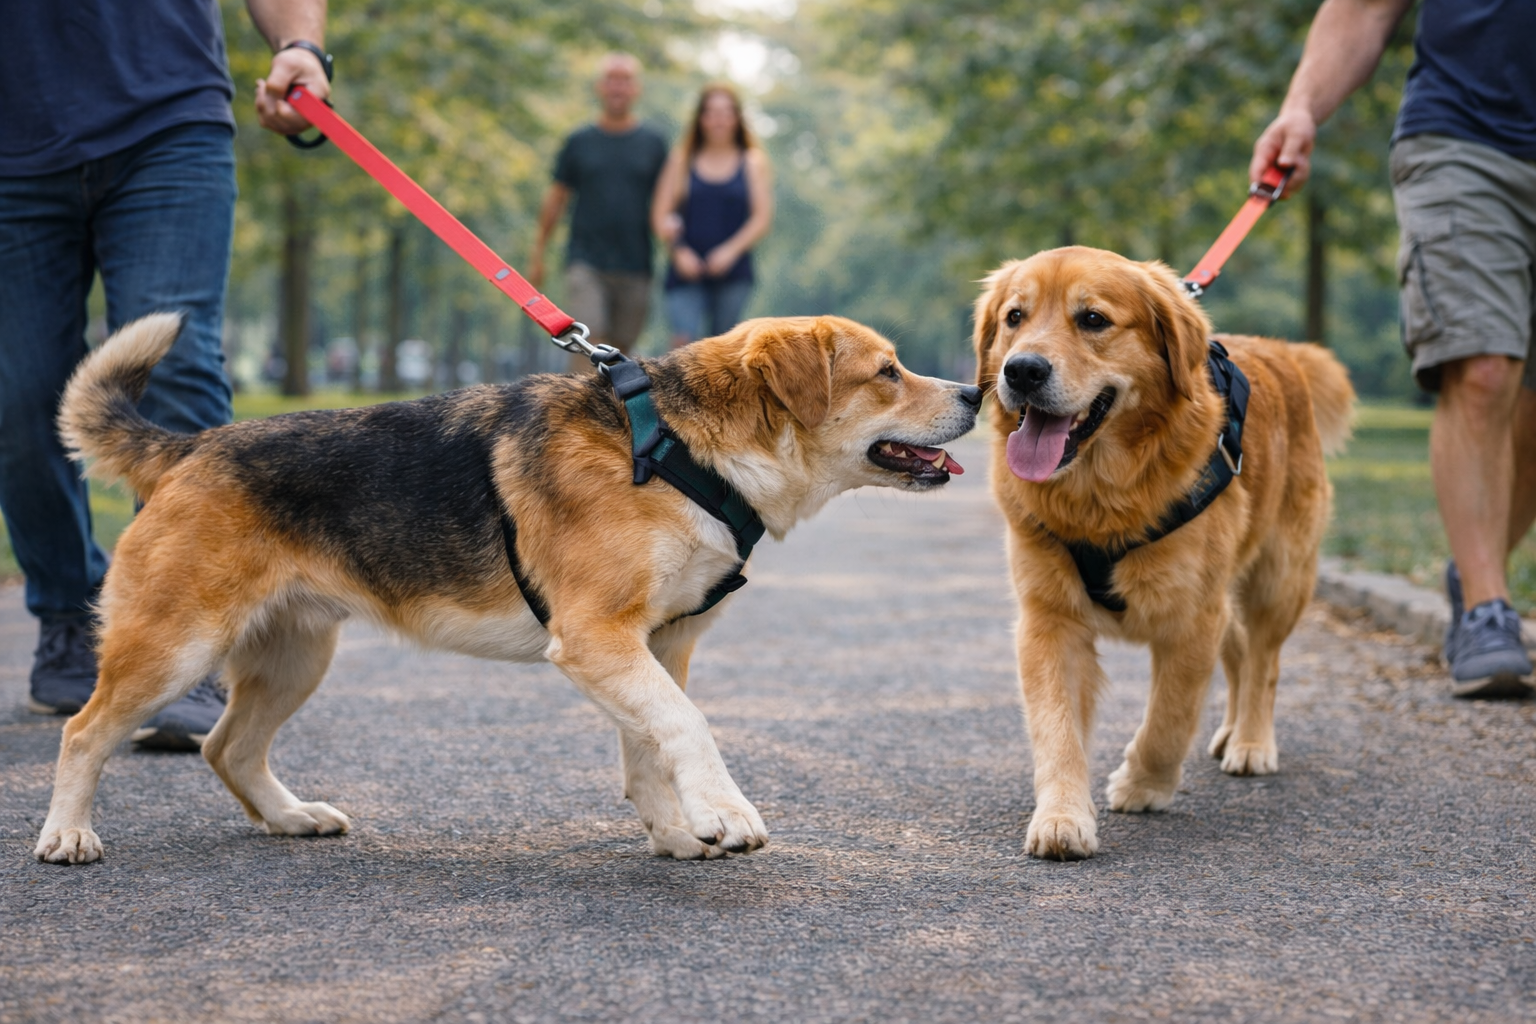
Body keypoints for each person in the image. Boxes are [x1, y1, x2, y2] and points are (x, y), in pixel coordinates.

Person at [0, 0, 331, 746]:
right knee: (21, 403)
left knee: (177, 366)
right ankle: (65, 616)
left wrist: (301, 45)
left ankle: (191, 628)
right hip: (10, 144)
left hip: (168, 117)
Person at [1251, 0, 1536, 699]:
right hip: (1466, 138)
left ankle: (1476, 573)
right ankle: (1487, 605)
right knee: (1484, 369)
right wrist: (1302, 108)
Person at [529, 54, 669, 372]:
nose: (617, 87)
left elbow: (669, 202)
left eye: (625, 80)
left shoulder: (654, 143)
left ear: (636, 90)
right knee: (586, 335)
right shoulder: (579, 141)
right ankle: (571, 417)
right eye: (611, 79)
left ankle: (609, 418)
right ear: (599, 87)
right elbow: (556, 198)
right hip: (586, 261)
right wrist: (538, 252)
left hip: (636, 263)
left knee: (621, 350)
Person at [651, 83, 774, 347]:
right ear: (701, 118)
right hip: (685, 272)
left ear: (737, 118)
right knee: (684, 346)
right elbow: (660, 215)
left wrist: (730, 251)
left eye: (726, 112)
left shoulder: (752, 161)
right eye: (711, 112)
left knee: (724, 350)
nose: (719, 119)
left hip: (733, 273)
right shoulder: (680, 161)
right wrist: (679, 252)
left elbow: (761, 218)